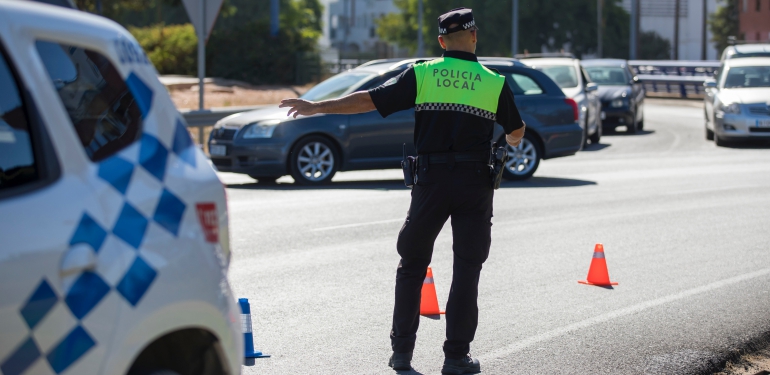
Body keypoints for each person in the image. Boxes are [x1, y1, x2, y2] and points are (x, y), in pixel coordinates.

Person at [279, 7, 525, 374]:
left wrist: (316, 107)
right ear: (475, 36)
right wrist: (510, 140)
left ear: (441, 42)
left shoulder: (422, 73)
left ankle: (402, 353)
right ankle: (456, 357)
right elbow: (516, 131)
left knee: (412, 265)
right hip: (474, 183)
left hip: (431, 181)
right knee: (467, 268)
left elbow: (368, 100)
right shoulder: (494, 82)